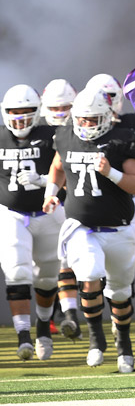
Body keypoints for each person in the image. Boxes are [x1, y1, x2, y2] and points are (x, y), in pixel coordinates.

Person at [42, 88, 135, 373]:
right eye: (82, 119)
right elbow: (57, 166)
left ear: (106, 117)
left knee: (121, 293)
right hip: (81, 225)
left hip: (119, 228)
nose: (86, 124)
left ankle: (123, 343)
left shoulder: (122, 139)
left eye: (92, 119)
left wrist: (111, 173)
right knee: (88, 274)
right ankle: (95, 338)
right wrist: (51, 193)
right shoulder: (65, 135)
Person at [85, 74, 135, 325]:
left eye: (108, 97)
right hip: (97, 203)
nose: (104, 102)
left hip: (133, 200)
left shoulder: (132, 125)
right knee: (95, 262)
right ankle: (111, 314)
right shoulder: (80, 128)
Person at [0, 84, 64, 361]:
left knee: (48, 276)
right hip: (11, 212)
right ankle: (23, 336)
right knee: (16, 271)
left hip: (47, 212)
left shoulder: (51, 136)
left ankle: (44, 328)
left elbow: (68, 175)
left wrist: (44, 182)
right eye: (14, 112)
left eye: (26, 112)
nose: (20, 118)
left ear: (38, 112)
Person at [40, 79, 81, 341]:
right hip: (46, 207)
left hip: (77, 203)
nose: (60, 112)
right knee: (47, 266)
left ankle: (72, 316)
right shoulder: (38, 136)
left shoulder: (82, 129)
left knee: (71, 263)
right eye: (55, 106)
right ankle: (56, 316)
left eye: (65, 106)